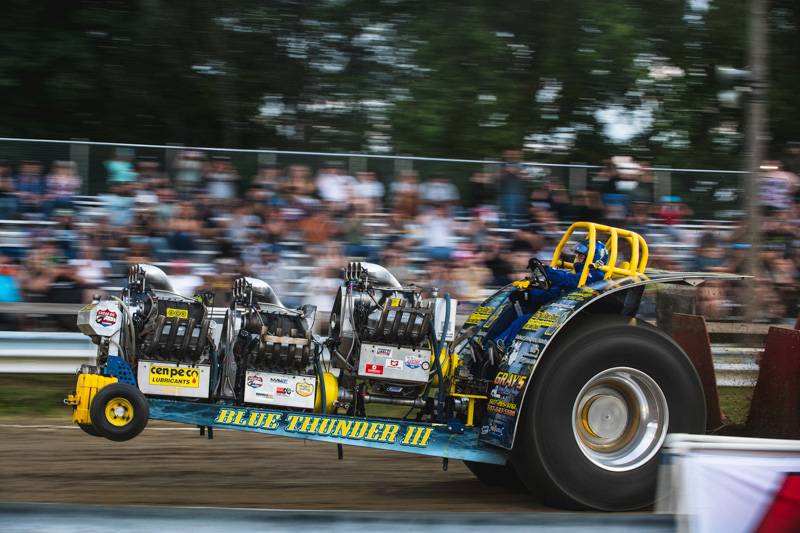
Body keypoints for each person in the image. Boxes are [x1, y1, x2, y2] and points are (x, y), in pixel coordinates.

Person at [492, 239, 609, 350]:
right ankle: (487, 345)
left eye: (581, 256)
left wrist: (546, 270)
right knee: (515, 311)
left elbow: (570, 281)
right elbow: (554, 291)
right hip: (557, 313)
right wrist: (528, 295)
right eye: (577, 255)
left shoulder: (595, 276)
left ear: (593, 259)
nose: (577, 259)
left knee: (525, 320)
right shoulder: (578, 275)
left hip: (572, 322)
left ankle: (501, 345)